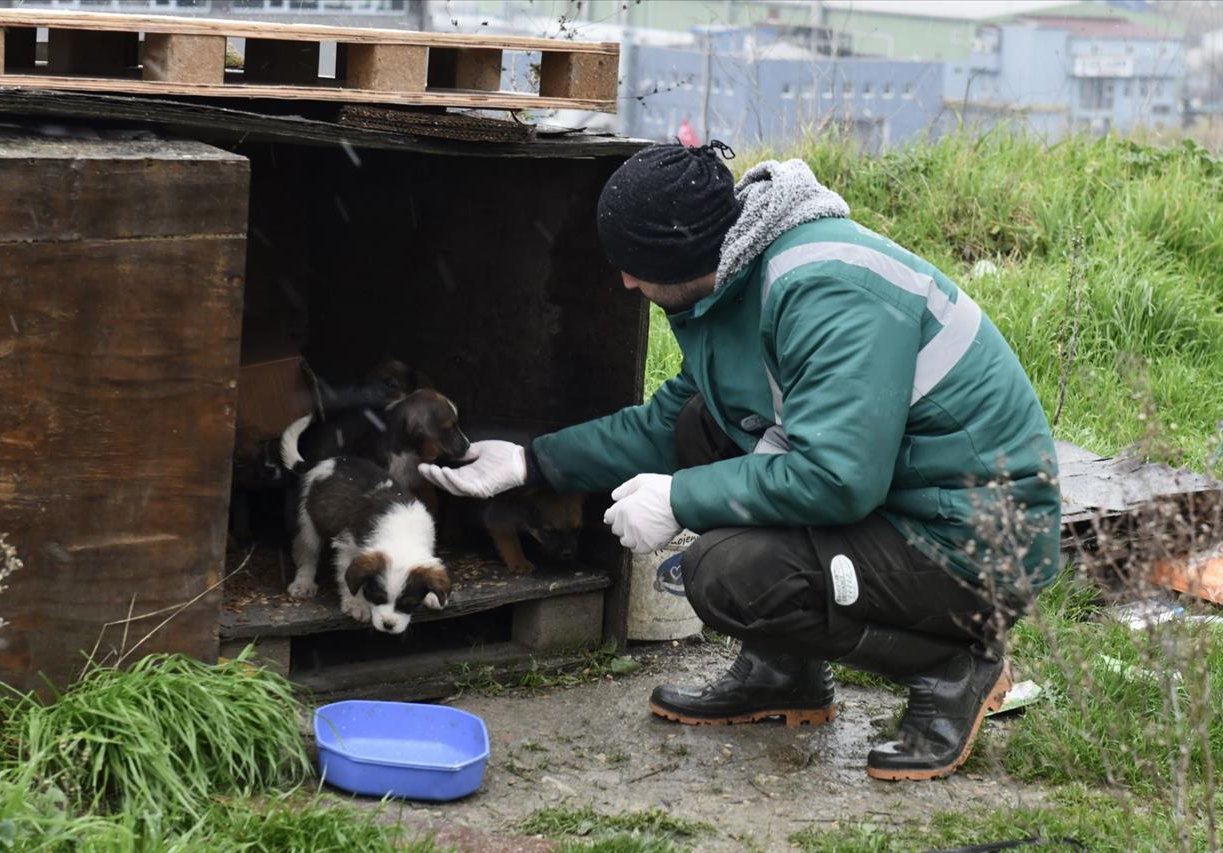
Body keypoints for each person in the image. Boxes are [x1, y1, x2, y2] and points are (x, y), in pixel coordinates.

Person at [420, 141, 1061, 782]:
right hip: (902, 496)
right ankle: (784, 674)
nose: (625, 283)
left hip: (976, 537)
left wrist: (678, 500)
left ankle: (951, 670)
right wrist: (534, 463)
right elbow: (672, 422)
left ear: (681, 256)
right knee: (704, 425)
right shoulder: (731, 278)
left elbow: (837, 477)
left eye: (634, 266)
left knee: (729, 574)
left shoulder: (825, 290)